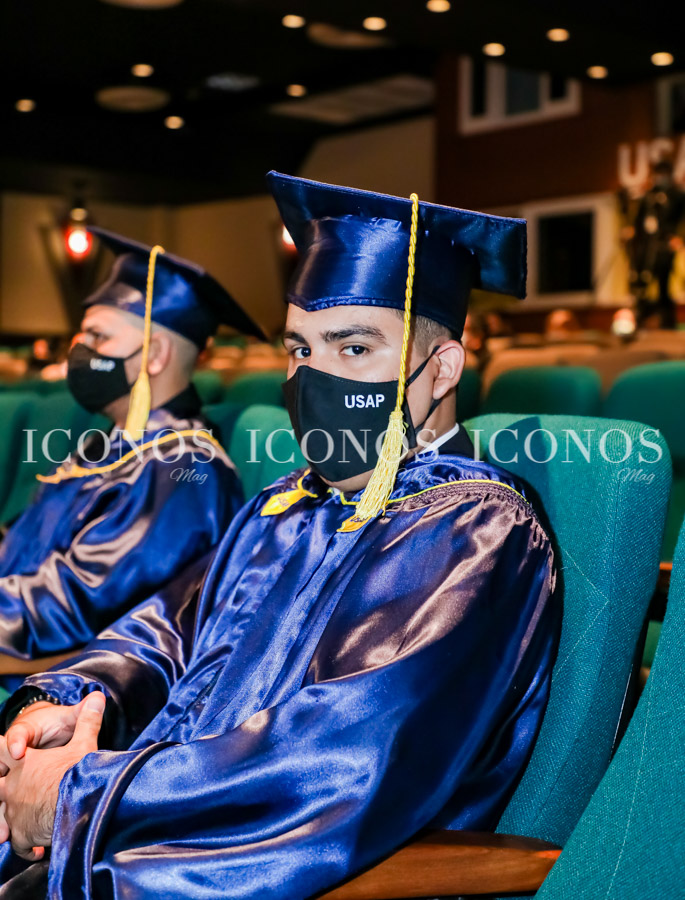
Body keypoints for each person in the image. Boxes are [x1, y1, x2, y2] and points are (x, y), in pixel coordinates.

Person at [0, 174, 560, 899]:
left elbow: (335, 758)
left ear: (441, 368)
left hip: (271, 871)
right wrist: (70, 703)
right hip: (165, 828)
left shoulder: (476, 532)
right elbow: (164, 634)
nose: (315, 376)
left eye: (353, 349)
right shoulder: (288, 505)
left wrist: (84, 791)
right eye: (300, 349)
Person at [0, 228, 265, 693]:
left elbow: (77, 599)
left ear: (156, 355)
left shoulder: (185, 467)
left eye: (98, 338)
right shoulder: (110, 444)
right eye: (81, 336)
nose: (79, 353)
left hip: (70, 681)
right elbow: (25, 540)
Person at [622, 159, 685, 329]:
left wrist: (678, 237)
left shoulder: (677, 195)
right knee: (642, 283)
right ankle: (641, 323)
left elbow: (681, 220)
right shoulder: (649, 196)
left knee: (664, 285)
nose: (661, 178)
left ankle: (667, 323)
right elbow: (638, 220)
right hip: (647, 247)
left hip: (666, 246)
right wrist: (631, 230)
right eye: (659, 174)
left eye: (664, 174)